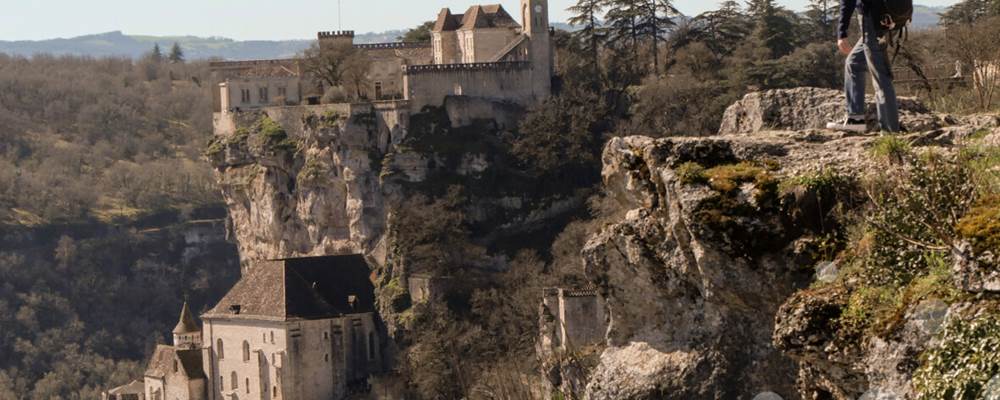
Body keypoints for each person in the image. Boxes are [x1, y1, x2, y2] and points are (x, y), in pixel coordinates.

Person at [826, 0, 901, 133]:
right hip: (892, 17)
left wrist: (842, 32)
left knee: (880, 75)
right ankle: (855, 120)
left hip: (873, 19)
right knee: (853, 63)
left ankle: (890, 131)